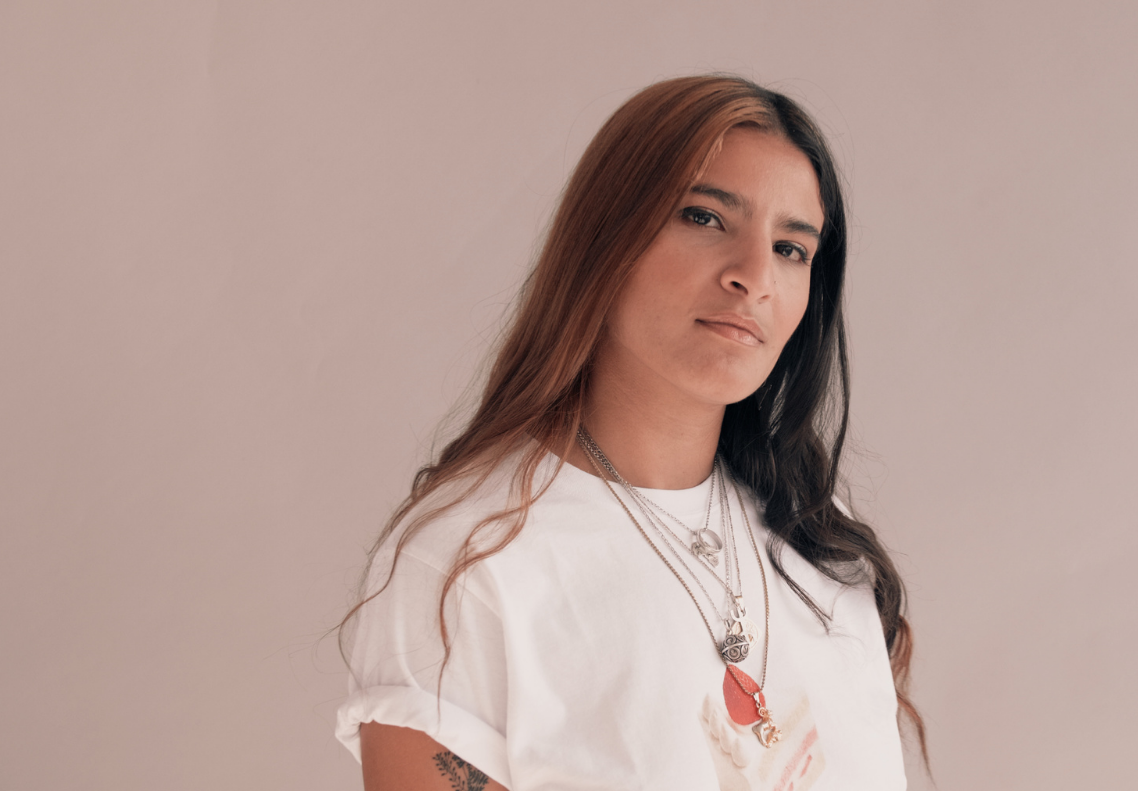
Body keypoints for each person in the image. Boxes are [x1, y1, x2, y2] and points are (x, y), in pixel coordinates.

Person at [335, 74, 924, 790]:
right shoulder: (469, 564)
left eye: (791, 249)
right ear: (605, 237)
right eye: (706, 218)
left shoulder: (817, 540)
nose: (753, 276)